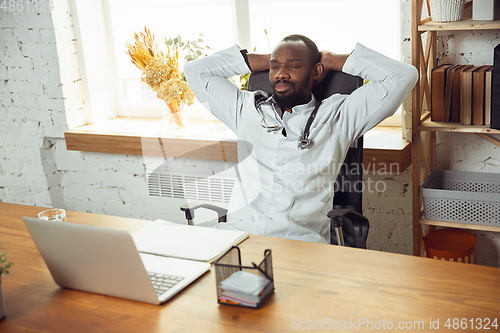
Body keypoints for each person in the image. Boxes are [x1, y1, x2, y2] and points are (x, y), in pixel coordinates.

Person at [184, 34, 418, 244]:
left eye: (294, 66)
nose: (281, 74)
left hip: (297, 242)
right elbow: (195, 71)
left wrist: (331, 59)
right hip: (238, 236)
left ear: (315, 71)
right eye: (275, 68)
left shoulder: (339, 115)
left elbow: (403, 75)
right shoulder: (244, 108)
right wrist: (270, 59)